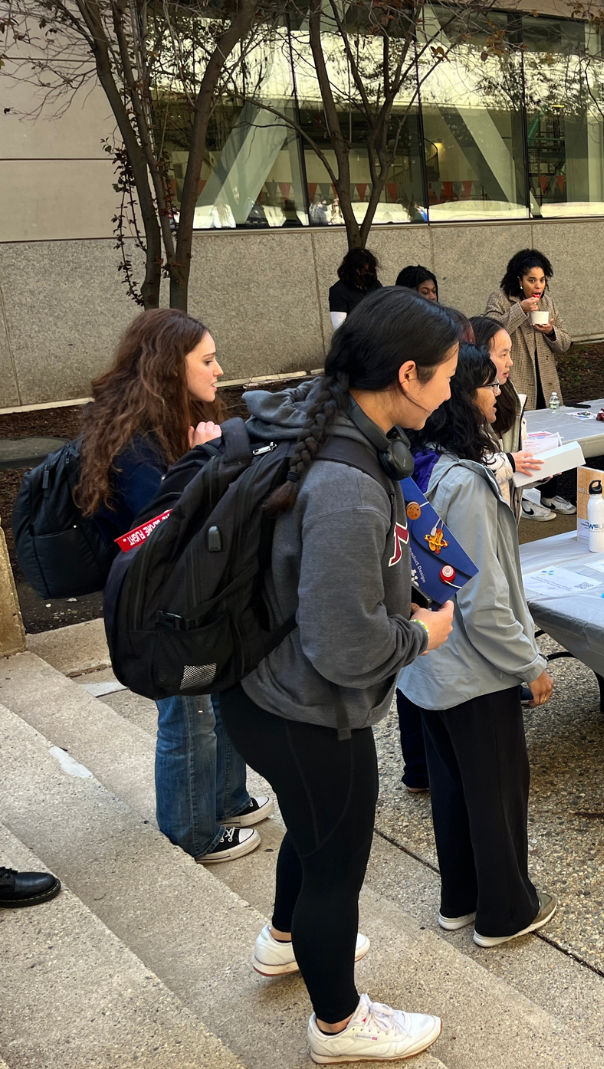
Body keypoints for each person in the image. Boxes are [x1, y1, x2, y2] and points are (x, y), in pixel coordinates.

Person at [226, 286, 459, 1063]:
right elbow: (344, 645)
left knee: (311, 828)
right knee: (337, 863)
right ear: (405, 374)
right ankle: (338, 1023)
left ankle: (282, 940)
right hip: (307, 706)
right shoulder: (348, 483)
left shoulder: (327, 427)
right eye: (447, 374)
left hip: (266, 687)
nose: (453, 389)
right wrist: (419, 632)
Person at [77, 308, 271, 865]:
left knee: (221, 693)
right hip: (162, 609)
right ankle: (191, 831)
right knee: (190, 714)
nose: (219, 370)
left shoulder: (164, 425)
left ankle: (227, 799)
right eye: (206, 361)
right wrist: (201, 463)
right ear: (169, 367)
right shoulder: (137, 446)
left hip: (199, 600)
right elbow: (166, 532)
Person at [397, 343, 559, 948]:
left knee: (455, 789)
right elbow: (481, 597)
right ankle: (506, 913)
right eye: (487, 384)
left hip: (430, 668)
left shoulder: (416, 464)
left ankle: (460, 901)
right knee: (495, 793)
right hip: (473, 669)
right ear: (462, 395)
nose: (498, 393)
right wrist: (529, 664)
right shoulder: (460, 482)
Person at [466, 314, 558, 520]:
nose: (511, 362)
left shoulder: (512, 397)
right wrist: (510, 463)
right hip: (477, 521)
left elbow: (511, 469)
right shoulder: (459, 409)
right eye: (503, 354)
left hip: (506, 520)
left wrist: (536, 472)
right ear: (475, 357)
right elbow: (465, 474)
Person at [486, 249, 572, 411]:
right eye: (531, 280)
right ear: (519, 280)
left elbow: (565, 343)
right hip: (516, 381)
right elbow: (489, 333)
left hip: (547, 385)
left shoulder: (547, 302)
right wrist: (520, 310)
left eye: (542, 280)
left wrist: (551, 332)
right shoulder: (500, 299)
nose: (538, 286)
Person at [329, 248, 382, 329]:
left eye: (369, 270)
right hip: (357, 337)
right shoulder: (339, 290)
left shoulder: (374, 284)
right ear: (353, 270)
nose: (366, 274)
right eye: (362, 271)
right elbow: (339, 327)